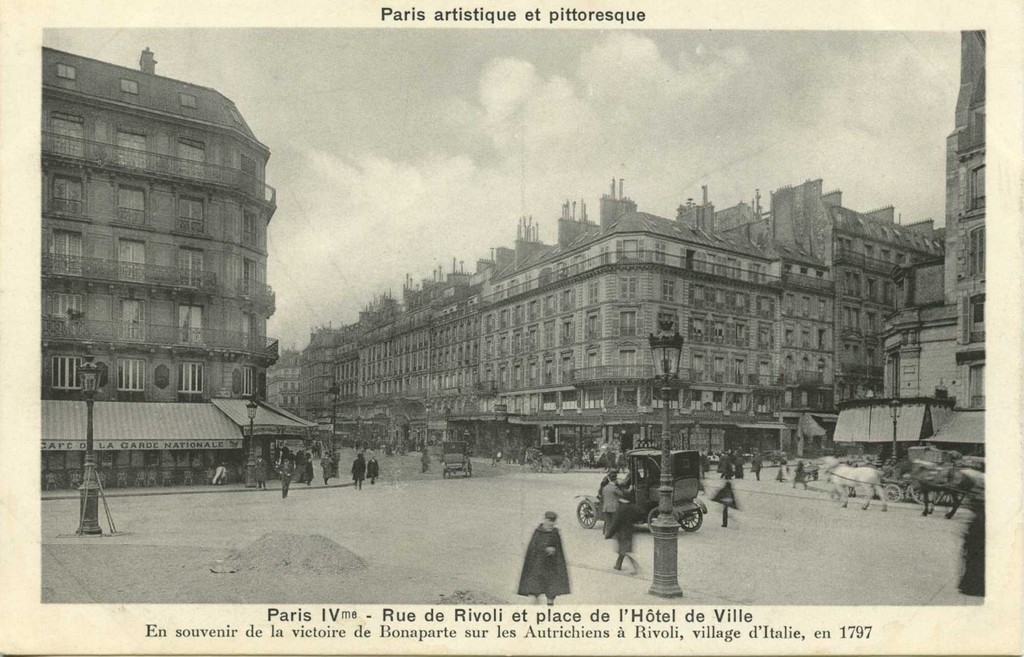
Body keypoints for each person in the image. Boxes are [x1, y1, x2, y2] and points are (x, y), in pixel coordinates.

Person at [517, 511, 570, 605]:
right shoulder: (538, 533)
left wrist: (554, 551)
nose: (551, 523)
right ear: (545, 520)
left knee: (551, 593)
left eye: (553, 521)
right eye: (549, 521)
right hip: (538, 568)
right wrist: (545, 549)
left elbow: (559, 552)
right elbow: (532, 550)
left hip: (551, 569)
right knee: (535, 592)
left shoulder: (555, 533)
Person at [606, 485, 639, 575]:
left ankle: (635, 566)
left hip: (622, 533)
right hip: (630, 532)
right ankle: (618, 565)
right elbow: (637, 516)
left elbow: (616, 523)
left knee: (623, 550)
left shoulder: (621, 509)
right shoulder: (632, 507)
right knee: (623, 550)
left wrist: (609, 534)